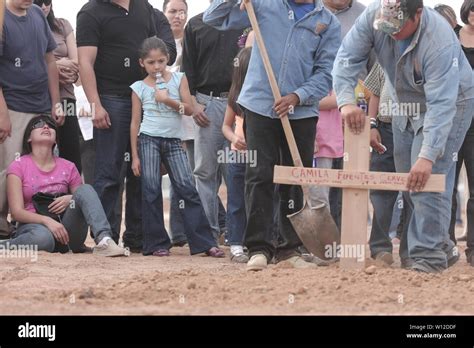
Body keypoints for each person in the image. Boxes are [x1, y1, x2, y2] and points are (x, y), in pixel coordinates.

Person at [333, 0, 474, 273]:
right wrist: (346, 101)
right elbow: (347, 57)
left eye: (397, 28)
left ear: (418, 14)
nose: (391, 33)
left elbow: (441, 105)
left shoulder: (440, 42)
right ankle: (442, 244)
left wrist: (428, 155)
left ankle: (429, 257)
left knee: (426, 177)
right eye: (386, 27)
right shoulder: (374, 17)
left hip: (451, 103)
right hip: (403, 101)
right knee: (408, 176)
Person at [204, 0, 341, 271]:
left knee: (295, 177)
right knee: (259, 175)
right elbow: (213, 17)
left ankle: (289, 249)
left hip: (301, 113)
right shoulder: (262, 5)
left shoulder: (328, 23)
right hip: (258, 105)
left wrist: (298, 96)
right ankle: (259, 248)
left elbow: (326, 73)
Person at [76, 0, 176, 252]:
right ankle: (105, 236)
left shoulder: (144, 7)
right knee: (109, 171)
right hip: (111, 98)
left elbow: (155, 53)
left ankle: (137, 236)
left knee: (141, 171)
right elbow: (85, 62)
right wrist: (96, 104)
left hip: (144, 98)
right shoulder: (90, 12)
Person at [130, 37, 224, 258]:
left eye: (161, 61)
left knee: (187, 187)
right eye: (151, 62)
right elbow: (135, 122)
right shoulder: (138, 87)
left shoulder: (179, 78)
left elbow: (190, 110)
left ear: (168, 59)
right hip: (148, 139)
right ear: (141, 63)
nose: (157, 67)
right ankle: (156, 243)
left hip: (174, 140)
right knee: (151, 189)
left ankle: (204, 242)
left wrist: (166, 100)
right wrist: (134, 156)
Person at [2, 115, 127, 256]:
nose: (46, 126)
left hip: (67, 232)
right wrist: (47, 221)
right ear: (29, 138)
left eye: (50, 125)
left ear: (55, 139)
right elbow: (17, 212)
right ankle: (4, 246)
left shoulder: (68, 166)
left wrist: (70, 198)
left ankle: (104, 240)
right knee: (44, 239)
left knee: (86, 189)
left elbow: (83, 197)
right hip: (35, 228)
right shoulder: (18, 165)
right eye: (39, 124)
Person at [0, 0, 63, 239]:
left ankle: (31, 222)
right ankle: (2, 226)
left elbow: (50, 60)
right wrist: (2, 112)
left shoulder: (37, 14)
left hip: (41, 105)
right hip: (12, 104)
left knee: (42, 166)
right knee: (8, 168)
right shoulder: (2, 17)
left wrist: (56, 101)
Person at [181, 1, 242, 244]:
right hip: (207, 104)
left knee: (236, 171)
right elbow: (187, 71)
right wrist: (193, 104)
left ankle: (237, 234)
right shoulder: (195, 24)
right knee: (205, 172)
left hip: (239, 104)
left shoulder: (247, 21)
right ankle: (207, 234)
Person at [34, 0, 82, 174]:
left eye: (47, 1)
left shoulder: (62, 25)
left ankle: (74, 198)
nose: (44, 6)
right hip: (41, 98)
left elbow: (77, 62)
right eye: (38, 2)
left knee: (71, 151)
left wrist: (55, 67)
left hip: (67, 97)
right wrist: (55, 68)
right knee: (43, 151)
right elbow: (33, 62)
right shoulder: (30, 26)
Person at [163, 0, 193, 247]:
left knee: (199, 172)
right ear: (164, 13)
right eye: (172, 11)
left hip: (193, 113)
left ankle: (212, 225)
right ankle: (179, 232)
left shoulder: (193, 39)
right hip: (168, 116)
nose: (177, 16)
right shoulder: (158, 43)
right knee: (177, 174)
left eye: (182, 11)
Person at [448, 0, 474, 266]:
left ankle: (473, 249)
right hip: (453, 122)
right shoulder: (452, 37)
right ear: (466, 11)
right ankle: (447, 245)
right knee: (447, 186)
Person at [222, 47, 252, 263]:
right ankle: (235, 243)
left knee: (257, 198)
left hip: (261, 155)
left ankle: (255, 240)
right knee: (236, 200)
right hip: (237, 155)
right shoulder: (235, 98)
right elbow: (225, 126)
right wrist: (233, 138)